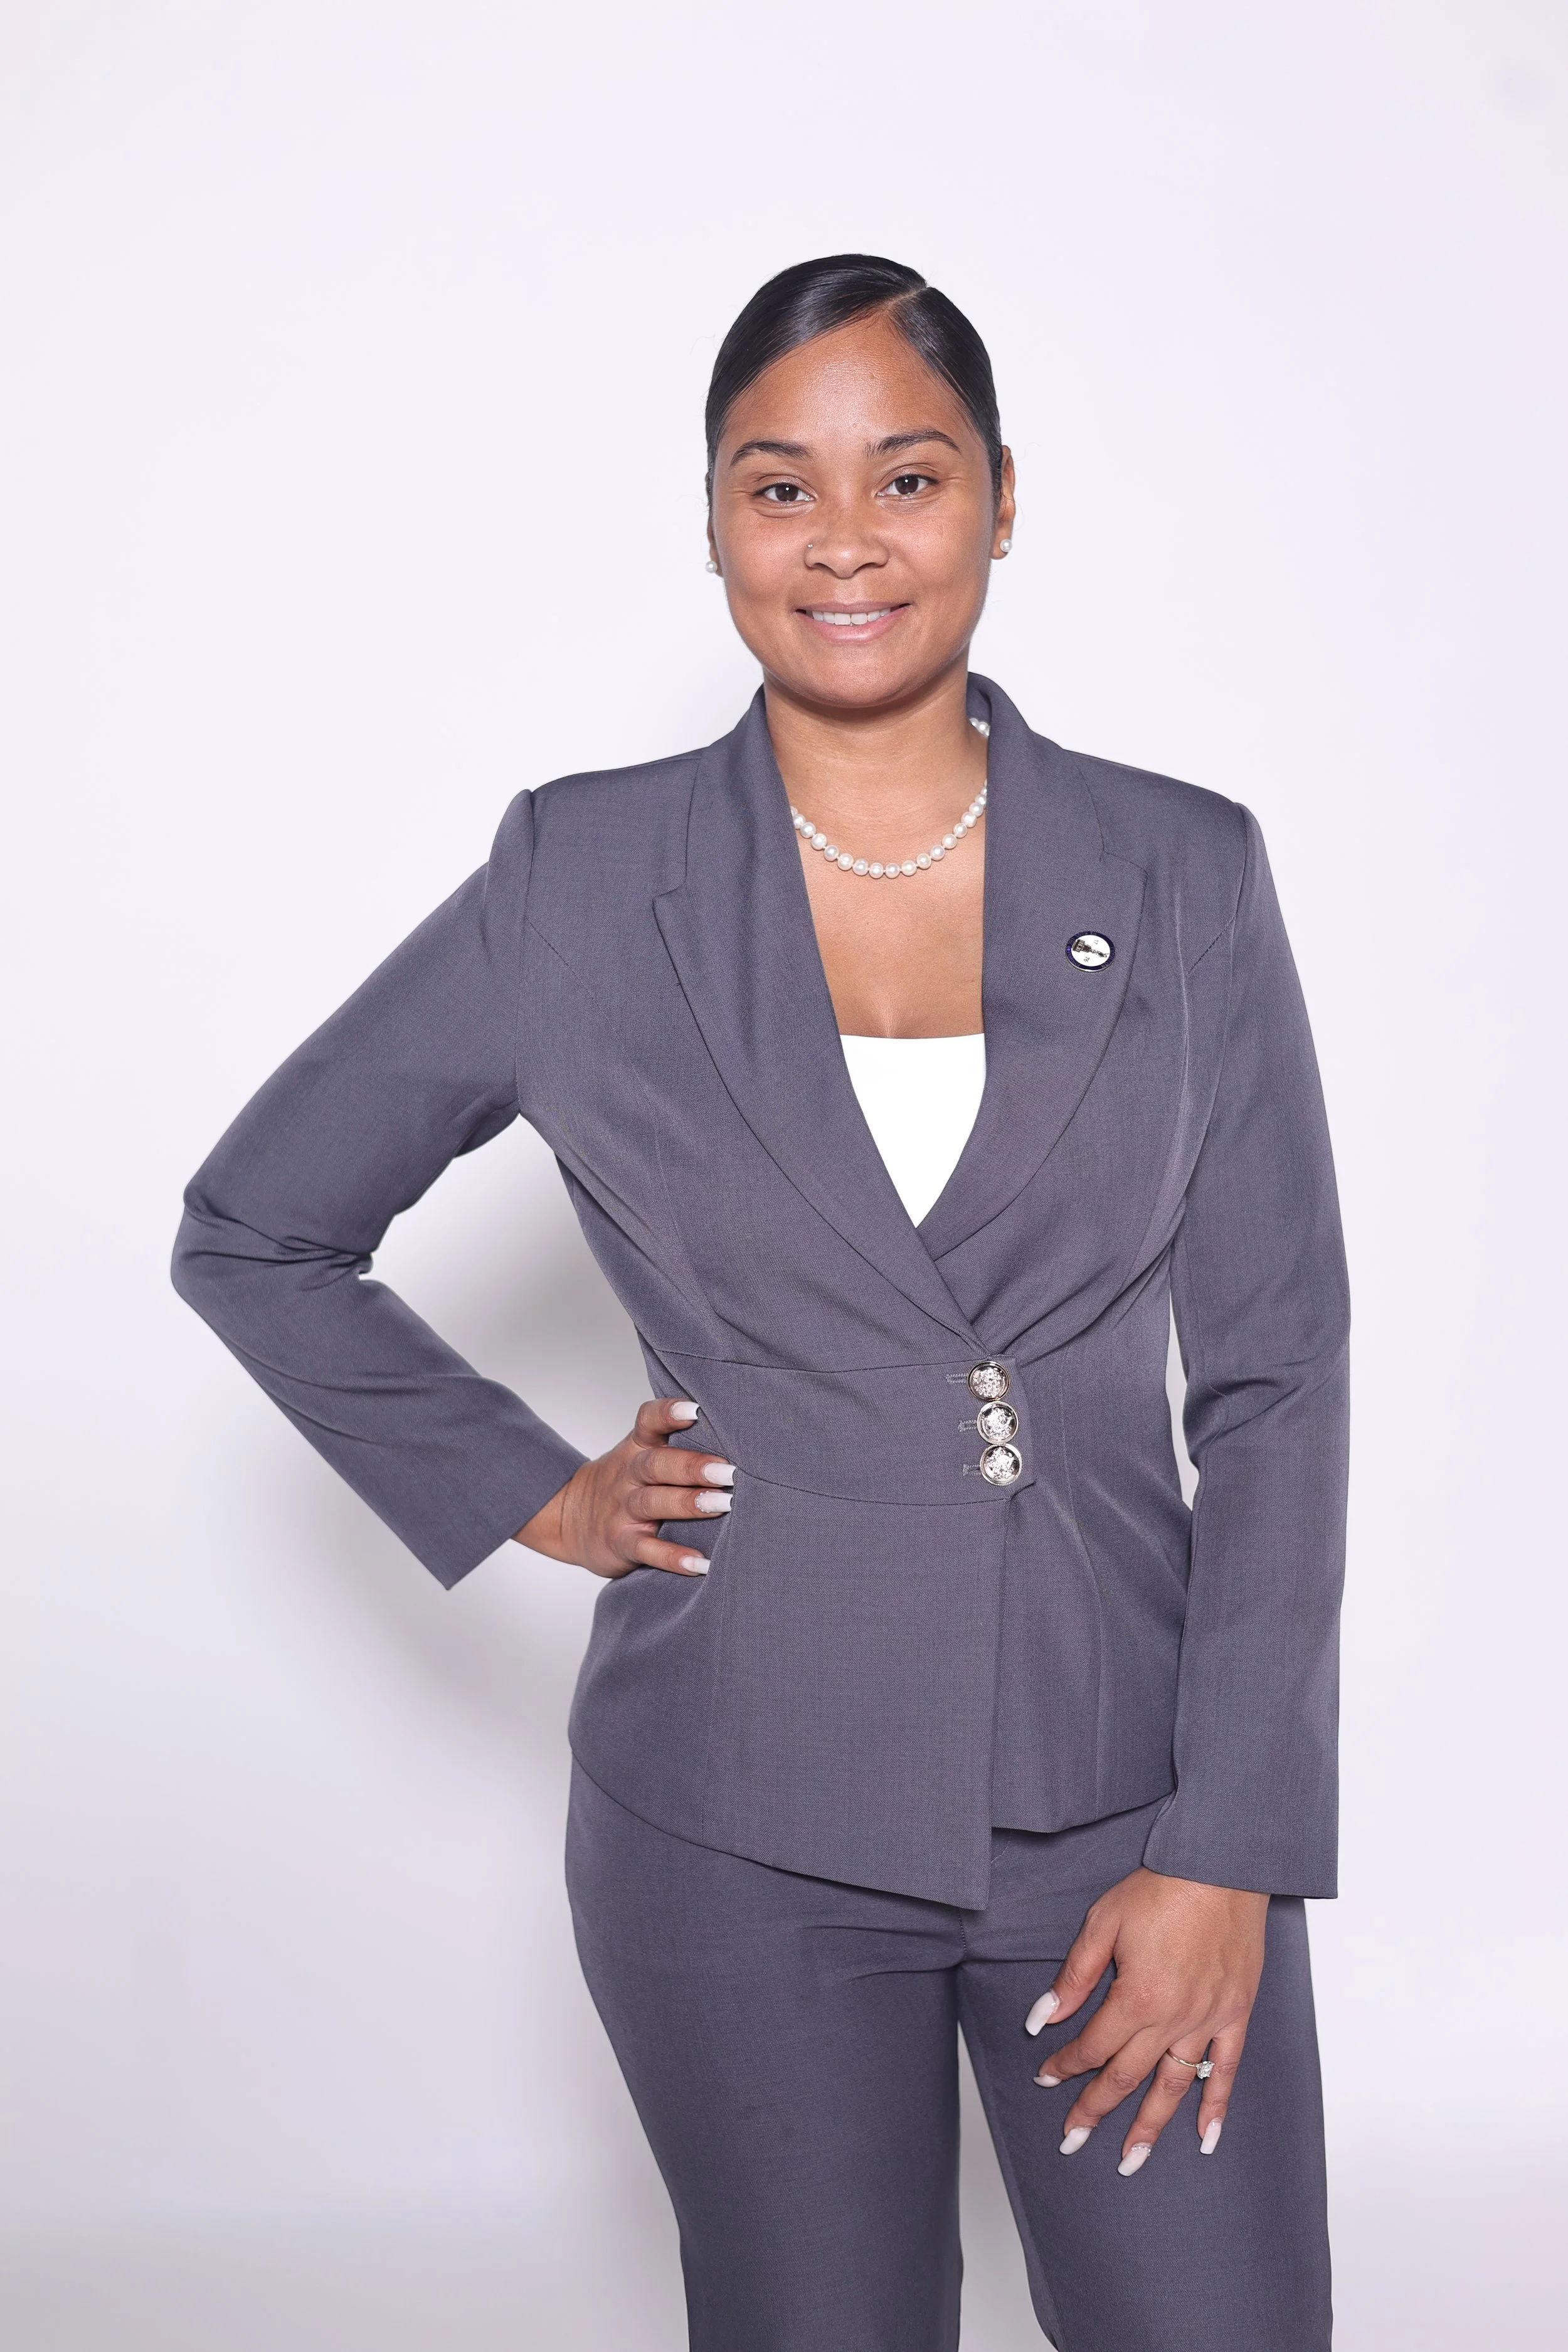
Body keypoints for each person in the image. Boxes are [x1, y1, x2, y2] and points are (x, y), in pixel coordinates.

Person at [173, 255, 1349, 2352]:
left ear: (1001, 497)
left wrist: (1230, 1843)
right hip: (736, 1813)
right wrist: (533, 1490)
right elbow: (256, 1226)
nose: (843, 542)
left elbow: (1274, 1380)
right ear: (712, 517)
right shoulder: (579, 878)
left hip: (1125, 1805)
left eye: (908, 476)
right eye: (777, 485)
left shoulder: (1182, 870)